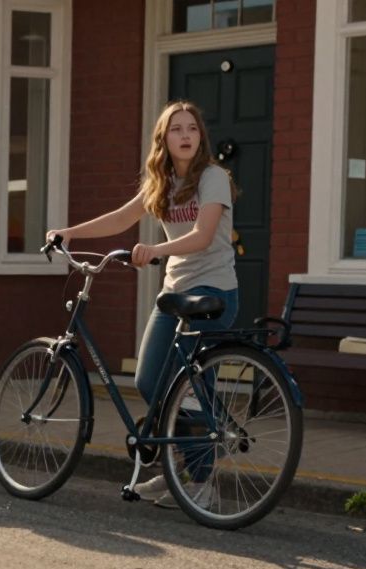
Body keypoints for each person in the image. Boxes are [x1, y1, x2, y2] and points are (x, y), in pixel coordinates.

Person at [47, 100, 239, 508]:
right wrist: (70, 232)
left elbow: (203, 235)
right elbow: (122, 218)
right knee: (150, 380)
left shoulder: (214, 177)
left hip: (214, 293)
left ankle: (202, 482)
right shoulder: (162, 181)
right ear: (163, 139)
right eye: (176, 129)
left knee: (187, 388)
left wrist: (155, 249)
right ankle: (178, 469)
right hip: (174, 294)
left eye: (192, 128)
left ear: (201, 137)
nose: (185, 135)